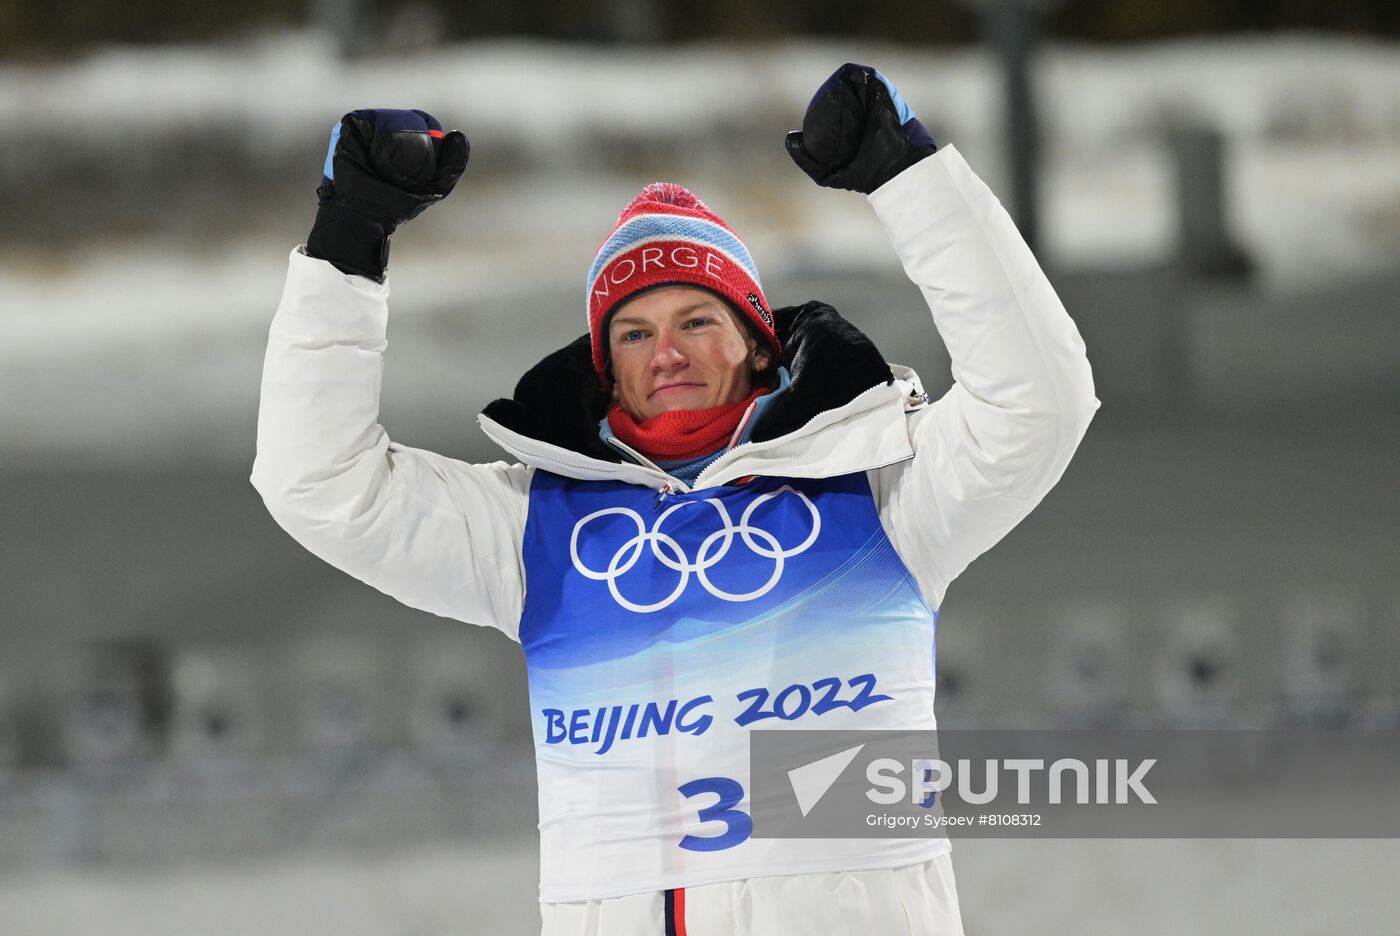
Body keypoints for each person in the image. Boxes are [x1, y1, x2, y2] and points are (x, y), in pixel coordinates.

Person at [253, 63, 1098, 936]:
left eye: (698, 319)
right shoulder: (533, 528)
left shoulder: (880, 487)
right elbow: (320, 484)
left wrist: (910, 179)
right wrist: (348, 238)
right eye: (634, 332)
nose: (667, 353)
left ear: (760, 346)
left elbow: (1041, 401)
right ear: (606, 369)